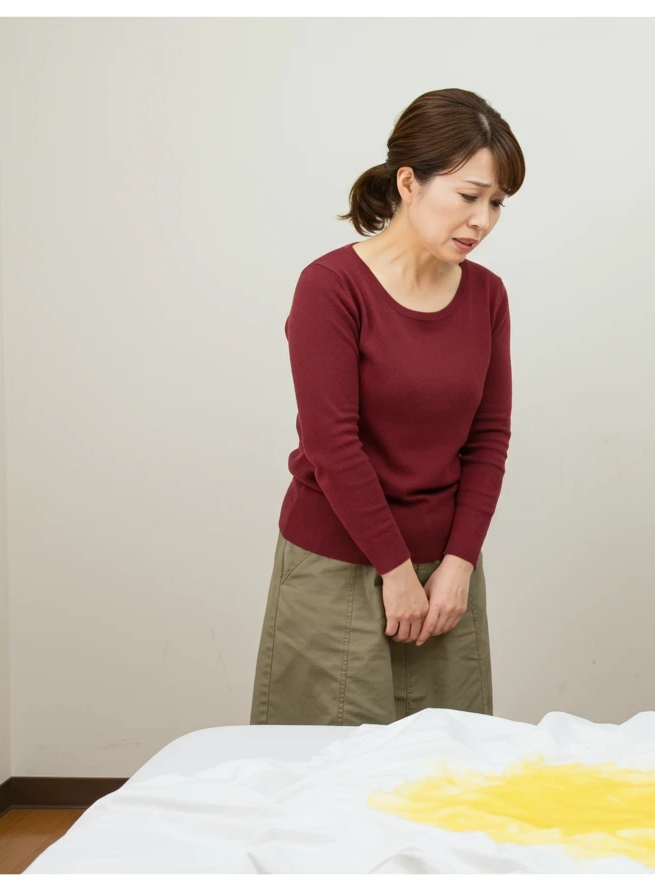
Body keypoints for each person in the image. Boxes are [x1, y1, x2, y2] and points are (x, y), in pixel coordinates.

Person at [250, 88, 525, 725]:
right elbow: (332, 444)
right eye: (468, 195)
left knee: (447, 771)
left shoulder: (487, 296)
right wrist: (395, 572)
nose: (482, 220)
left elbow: (488, 438)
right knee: (331, 769)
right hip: (337, 569)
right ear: (408, 182)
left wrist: (458, 566)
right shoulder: (331, 287)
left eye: (496, 203)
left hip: (444, 578)